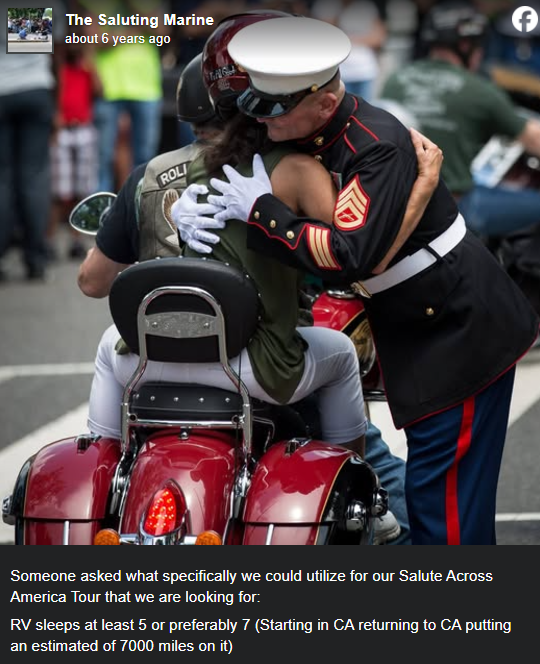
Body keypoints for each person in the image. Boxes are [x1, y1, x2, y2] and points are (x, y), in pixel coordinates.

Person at [175, 14, 540, 544]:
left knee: (446, 511)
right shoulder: (311, 130)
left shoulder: (376, 146)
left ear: (324, 103)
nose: (262, 120)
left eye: (275, 110)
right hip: (417, 318)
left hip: (456, 326)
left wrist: (265, 213)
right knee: (435, 496)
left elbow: (347, 254)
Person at [78, 18, 441, 545]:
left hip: (152, 365)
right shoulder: (294, 167)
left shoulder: (155, 176)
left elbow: (92, 282)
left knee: (109, 342)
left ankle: (102, 458)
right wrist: (421, 189)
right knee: (340, 358)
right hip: (252, 367)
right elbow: (353, 254)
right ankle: (364, 495)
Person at [380, 1, 540, 240]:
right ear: (466, 46)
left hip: (399, 204)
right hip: (456, 209)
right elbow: (535, 140)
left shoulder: (395, 80)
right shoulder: (478, 90)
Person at [48, 44, 102, 260]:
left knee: (82, 190)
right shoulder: (57, 70)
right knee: (59, 191)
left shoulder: (86, 68)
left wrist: (90, 59)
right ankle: (49, 240)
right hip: (62, 131)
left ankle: (76, 240)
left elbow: (100, 90)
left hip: (83, 129)